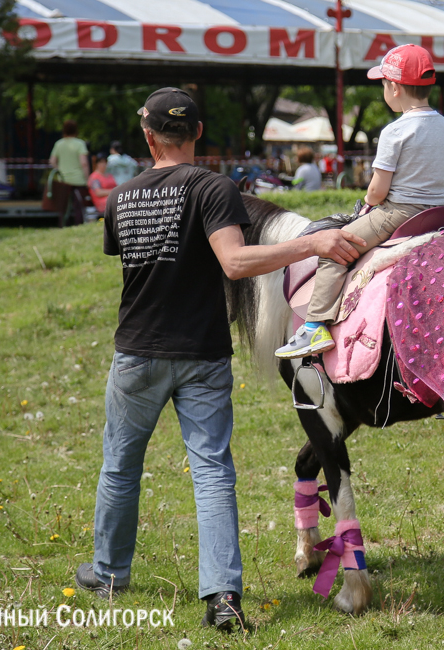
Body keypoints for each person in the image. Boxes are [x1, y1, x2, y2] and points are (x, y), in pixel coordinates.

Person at [73, 88, 364, 631]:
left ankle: (109, 573)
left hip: (136, 351)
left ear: (147, 135)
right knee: (211, 474)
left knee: (120, 465)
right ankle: (223, 598)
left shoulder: (122, 197)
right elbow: (233, 262)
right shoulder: (213, 189)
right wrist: (313, 244)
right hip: (202, 353)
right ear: (199, 133)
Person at [276, 44, 444, 359]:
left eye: (383, 84)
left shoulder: (396, 131)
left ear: (395, 87)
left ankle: (314, 326)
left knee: (334, 249)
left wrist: (369, 197)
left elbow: (376, 193)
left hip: (398, 214)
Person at [49, 119, 90, 227]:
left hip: (64, 180)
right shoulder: (80, 144)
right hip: (79, 180)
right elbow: (84, 163)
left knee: (64, 206)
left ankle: (62, 225)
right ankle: (79, 225)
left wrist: (60, 169)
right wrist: (87, 179)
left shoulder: (59, 144)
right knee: (79, 206)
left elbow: (52, 161)